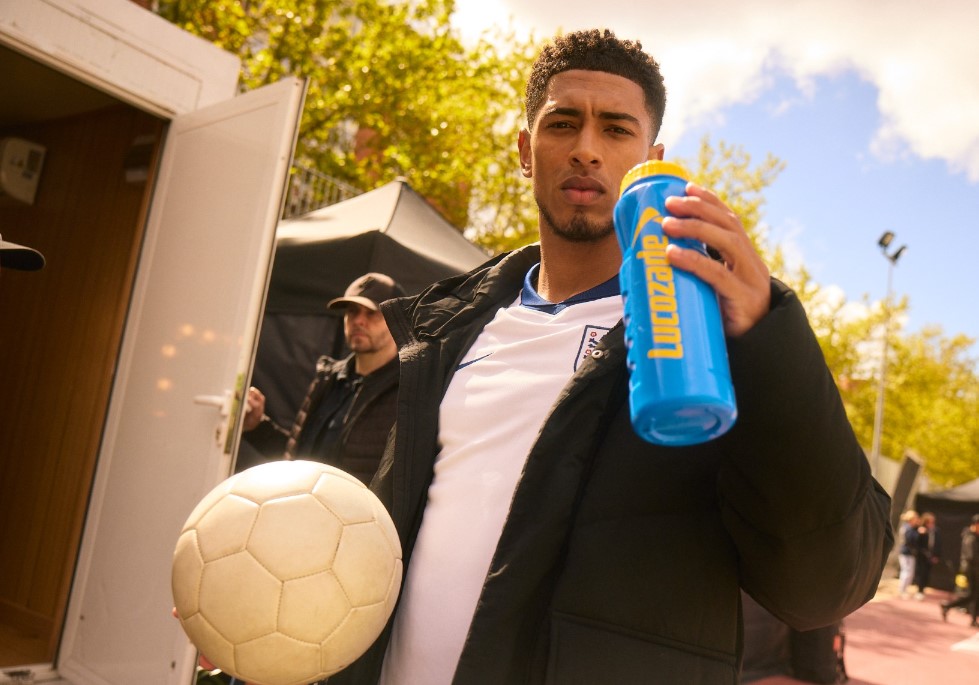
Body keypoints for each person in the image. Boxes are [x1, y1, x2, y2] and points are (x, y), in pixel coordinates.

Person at [328, 29, 893, 685]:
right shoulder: (444, 328)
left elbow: (824, 587)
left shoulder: (710, 339)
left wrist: (770, 336)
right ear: (523, 149)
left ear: (650, 159)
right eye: (562, 123)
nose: (586, 149)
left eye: (615, 129)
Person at [242, 272, 404, 484]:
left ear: (396, 319)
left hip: (362, 515)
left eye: (372, 312)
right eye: (352, 311)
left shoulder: (407, 389)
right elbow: (298, 459)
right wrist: (256, 426)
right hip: (306, 507)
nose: (359, 321)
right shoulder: (328, 379)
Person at [940, 514, 979, 628]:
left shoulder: (974, 537)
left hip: (974, 570)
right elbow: (971, 557)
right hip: (971, 570)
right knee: (972, 595)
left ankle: (972, 619)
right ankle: (948, 605)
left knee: (974, 595)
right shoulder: (970, 538)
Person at [912, 511, 941, 600]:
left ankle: (923, 589)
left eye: (932, 522)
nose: (931, 524)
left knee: (927, 574)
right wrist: (919, 533)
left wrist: (936, 556)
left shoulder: (936, 531)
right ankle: (919, 590)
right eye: (929, 522)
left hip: (931, 556)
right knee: (921, 573)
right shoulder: (920, 530)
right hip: (922, 556)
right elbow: (914, 542)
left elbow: (938, 544)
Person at [898, 509, 921, 599]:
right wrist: (918, 532)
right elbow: (910, 540)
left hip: (910, 553)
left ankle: (904, 589)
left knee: (910, 572)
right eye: (916, 518)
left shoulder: (911, 528)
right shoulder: (907, 528)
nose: (917, 520)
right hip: (906, 553)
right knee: (906, 571)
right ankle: (902, 590)